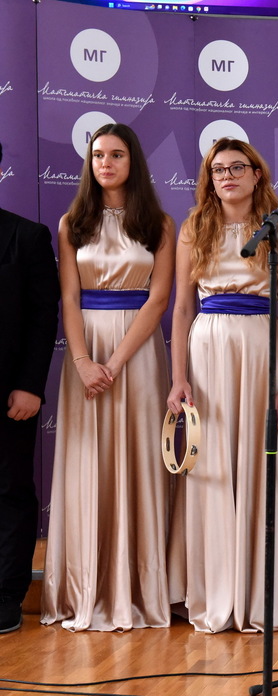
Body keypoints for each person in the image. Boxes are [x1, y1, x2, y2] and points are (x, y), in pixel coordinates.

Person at [41, 124, 175, 632]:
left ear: (132, 161)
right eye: (98, 155)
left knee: (138, 461)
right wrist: (81, 362)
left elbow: (158, 300)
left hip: (136, 353)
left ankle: (137, 590)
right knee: (87, 464)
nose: (106, 163)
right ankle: (86, 590)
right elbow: (68, 298)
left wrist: (114, 364)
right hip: (85, 351)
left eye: (116, 154)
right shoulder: (71, 222)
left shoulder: (160, 224)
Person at [166, 137, 278, 633]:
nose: (227, 176)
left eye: (236, 167)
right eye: (218, 169)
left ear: (256, 174)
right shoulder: (192, 230)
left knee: (259, 462)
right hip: (207, 351)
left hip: (260, 349)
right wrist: (178, 377)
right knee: (212, 464)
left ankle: (259, 593)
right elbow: (182, 308)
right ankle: (214, 589)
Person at [0, 142, 60, 634]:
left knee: (10, 493)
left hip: (9, 395)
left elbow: (43, 320)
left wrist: (29, 386)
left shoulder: (27, 236)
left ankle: (6, 596)